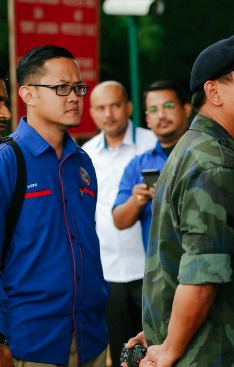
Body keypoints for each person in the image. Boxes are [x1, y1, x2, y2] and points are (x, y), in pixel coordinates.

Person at [125, 32, 234, 366]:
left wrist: (162, 331)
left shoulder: (196, 147)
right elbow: (202, 276)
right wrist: (168, 348)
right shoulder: (215, 162)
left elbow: (176, 259)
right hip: (221, 353)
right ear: (213, 91)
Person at [0, 45, 108, 365]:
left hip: (91, 338)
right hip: (31, 344)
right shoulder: (9, 162)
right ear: (28, 94)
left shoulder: (83, 162)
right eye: (61, 88)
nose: (74, 97)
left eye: (78, 88)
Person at [83, 81, 157, 365]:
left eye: (115, 105)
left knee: (155, 347)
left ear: (128, 107)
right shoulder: (86, 153)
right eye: (101, 108)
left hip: (150, 269)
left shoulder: (152, 144)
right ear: (93, 112)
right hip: (108, 269)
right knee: (122, 351)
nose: (109, 113)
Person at [112, 80, 192, 251]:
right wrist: (136, 200)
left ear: (186, 109)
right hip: (159, 272)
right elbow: (119, 221)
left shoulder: (206, 154)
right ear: (147, 119)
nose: (161, 115)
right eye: (153, 110)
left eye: (168, 106)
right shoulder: (138, 165)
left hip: (205, 266)